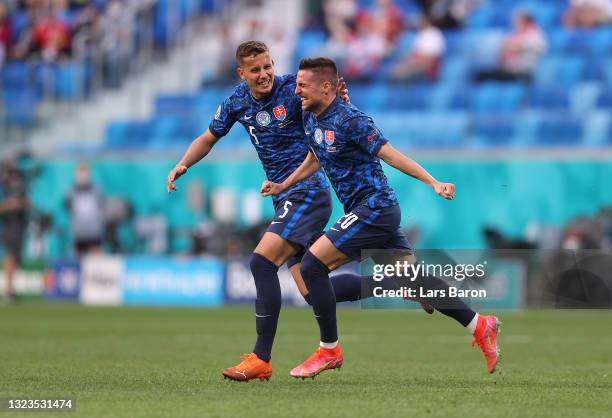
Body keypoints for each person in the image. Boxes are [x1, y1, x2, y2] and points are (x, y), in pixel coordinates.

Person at [166, 41, 424, 382]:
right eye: (255, 70)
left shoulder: (293, 89)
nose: (264, 75)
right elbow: (207, 138)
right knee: (312, 292)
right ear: (241, 73)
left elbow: (331, 108)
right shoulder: (235, 103)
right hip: (284, 197)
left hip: (307, 192)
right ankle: (391, 282)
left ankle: (261, 358)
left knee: (261, 261)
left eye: (267, 66)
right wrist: (183, 163)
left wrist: (341, 97)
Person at [261, 57, 501, 379]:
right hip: (367, 211)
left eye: (303, 85)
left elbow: (392, 155)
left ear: (327, 87)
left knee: (312, 266)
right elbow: (316, 156)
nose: (296, 90)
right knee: (413, 279)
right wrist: (285, 184)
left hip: (374, 208)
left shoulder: (352, 119)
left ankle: (329, 350)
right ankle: (479, 325)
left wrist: (433, 182)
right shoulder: (311, 117)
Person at [474, 12, 547, 83]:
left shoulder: (535, 35)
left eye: (518, 21)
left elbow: (515, 47)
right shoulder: (517, 33)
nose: (515, 23)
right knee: (480, 74)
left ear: (526, 21)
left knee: (488, 76)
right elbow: (504, 46)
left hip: (524, 72)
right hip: (509, 69)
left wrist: (509, 46)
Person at [0, 158, 29, 303]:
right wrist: (9, 205)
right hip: (7, 225)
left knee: (16, 258)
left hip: (19, 224)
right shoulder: (2, 185)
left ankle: (11, 288)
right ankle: (7, 289)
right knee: (10, 256)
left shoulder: (19, 186)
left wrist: (22, 204)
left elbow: (27, 203)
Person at [390, 15, 445, 83]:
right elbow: (414, 54)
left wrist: (412, 64)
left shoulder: (435, 34)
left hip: (427, 68)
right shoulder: (421, 34)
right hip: (416, 64)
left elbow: (432, 59)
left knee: (401, 74)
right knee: (394, 71)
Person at [65, 163, 104, 256]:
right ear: (76, 174)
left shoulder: (96, 190)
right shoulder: (71, 191)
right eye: (80, 174)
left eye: (85, 173)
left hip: (94, 231)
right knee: (78, 261)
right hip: (79, 231)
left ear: (89, 174)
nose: (82, 176)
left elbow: (102, 205)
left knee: (96, 262)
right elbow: (68, 207)